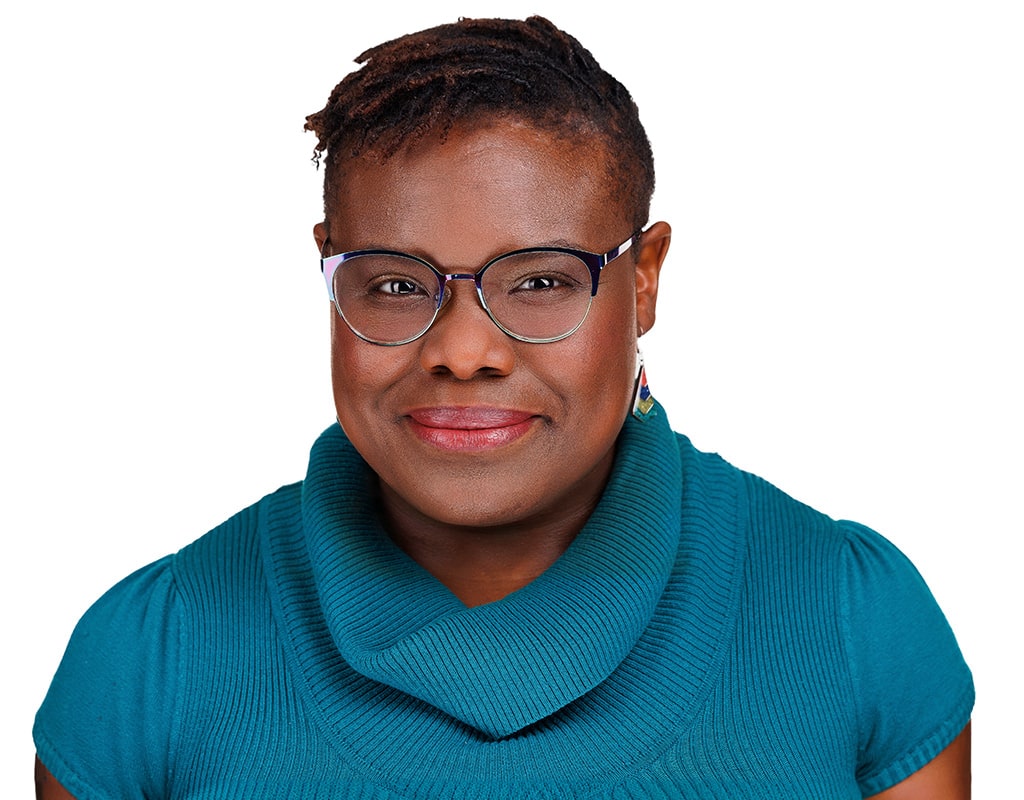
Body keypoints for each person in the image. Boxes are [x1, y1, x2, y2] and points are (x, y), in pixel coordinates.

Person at [33, 15, 973, 799]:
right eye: (395, 284)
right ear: (327, 270)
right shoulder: (153, 657)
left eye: (540, 281)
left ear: (643, 283)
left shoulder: (850, 619)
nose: (463, 352)